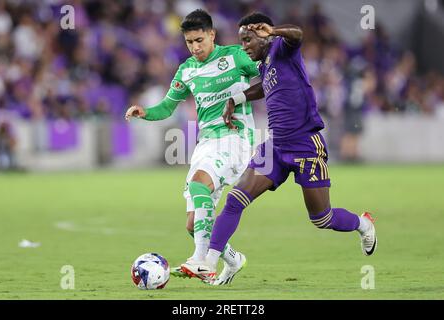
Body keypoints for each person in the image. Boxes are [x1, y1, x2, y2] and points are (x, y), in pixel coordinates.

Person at [181, 12, 377, 283]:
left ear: (264, 36)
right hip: (275, 146)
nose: (244, 46)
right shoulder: (264, 64)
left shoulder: (283, 49)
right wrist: (236, 98)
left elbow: (298, 33)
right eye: (241, 41)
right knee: (235, 199)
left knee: (321, 218)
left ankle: (363, 223)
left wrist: (274, 31)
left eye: (248, 40)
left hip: (305, 144)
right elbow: (264, 87)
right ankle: (208, 261)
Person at [125, 9, 260, 285]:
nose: (195, 47)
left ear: (212, 34)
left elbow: (270, 75)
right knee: (192, 224)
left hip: (236, 138)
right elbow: (166, 107)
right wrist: (145, 112)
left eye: (199, 40)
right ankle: (233, 260)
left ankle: (201, 261)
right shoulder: (187, 69)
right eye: (189, 42)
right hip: (206, 143)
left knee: (199, 185)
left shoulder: (236, 56)